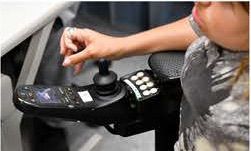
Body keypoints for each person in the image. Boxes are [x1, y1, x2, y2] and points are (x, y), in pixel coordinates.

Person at [60, 2, 249, 150]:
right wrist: (116, 45)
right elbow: (196, 25)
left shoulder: (240, 116)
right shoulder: (224, 27)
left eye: (228, 2)